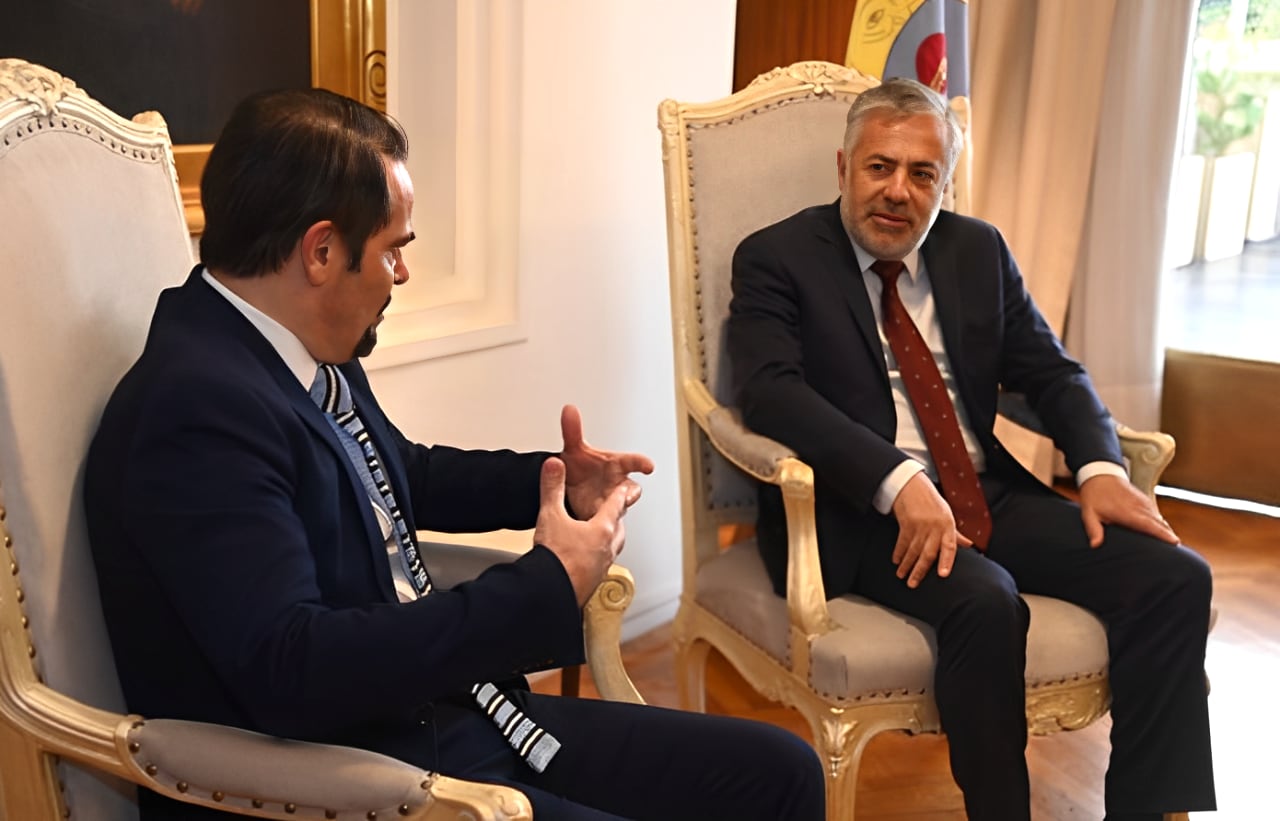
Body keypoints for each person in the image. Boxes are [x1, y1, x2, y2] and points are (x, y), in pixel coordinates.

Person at [84, 87, 825, 821]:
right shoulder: (193, 413)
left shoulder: (291, 345)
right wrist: (545, 581)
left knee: (781, 771)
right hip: (343, 781)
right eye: (392, 251)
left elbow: (397, 471)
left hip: (430, 722)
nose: (401, 275)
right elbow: (294, 668)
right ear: (320, 250)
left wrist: (552, 480)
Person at [727, 77, 1215, 821]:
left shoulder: (976, 249)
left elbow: (1051, 371)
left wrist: (1100, 466)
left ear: (943, 183)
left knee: (1175, 575)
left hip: (983, 492)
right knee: (988, 602)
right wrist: (897, 480)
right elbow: (771, 393)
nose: (898, 191)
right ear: (843, 167)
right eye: (880, 167)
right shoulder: (776, 257)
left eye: (922, 173)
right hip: (856, 513)